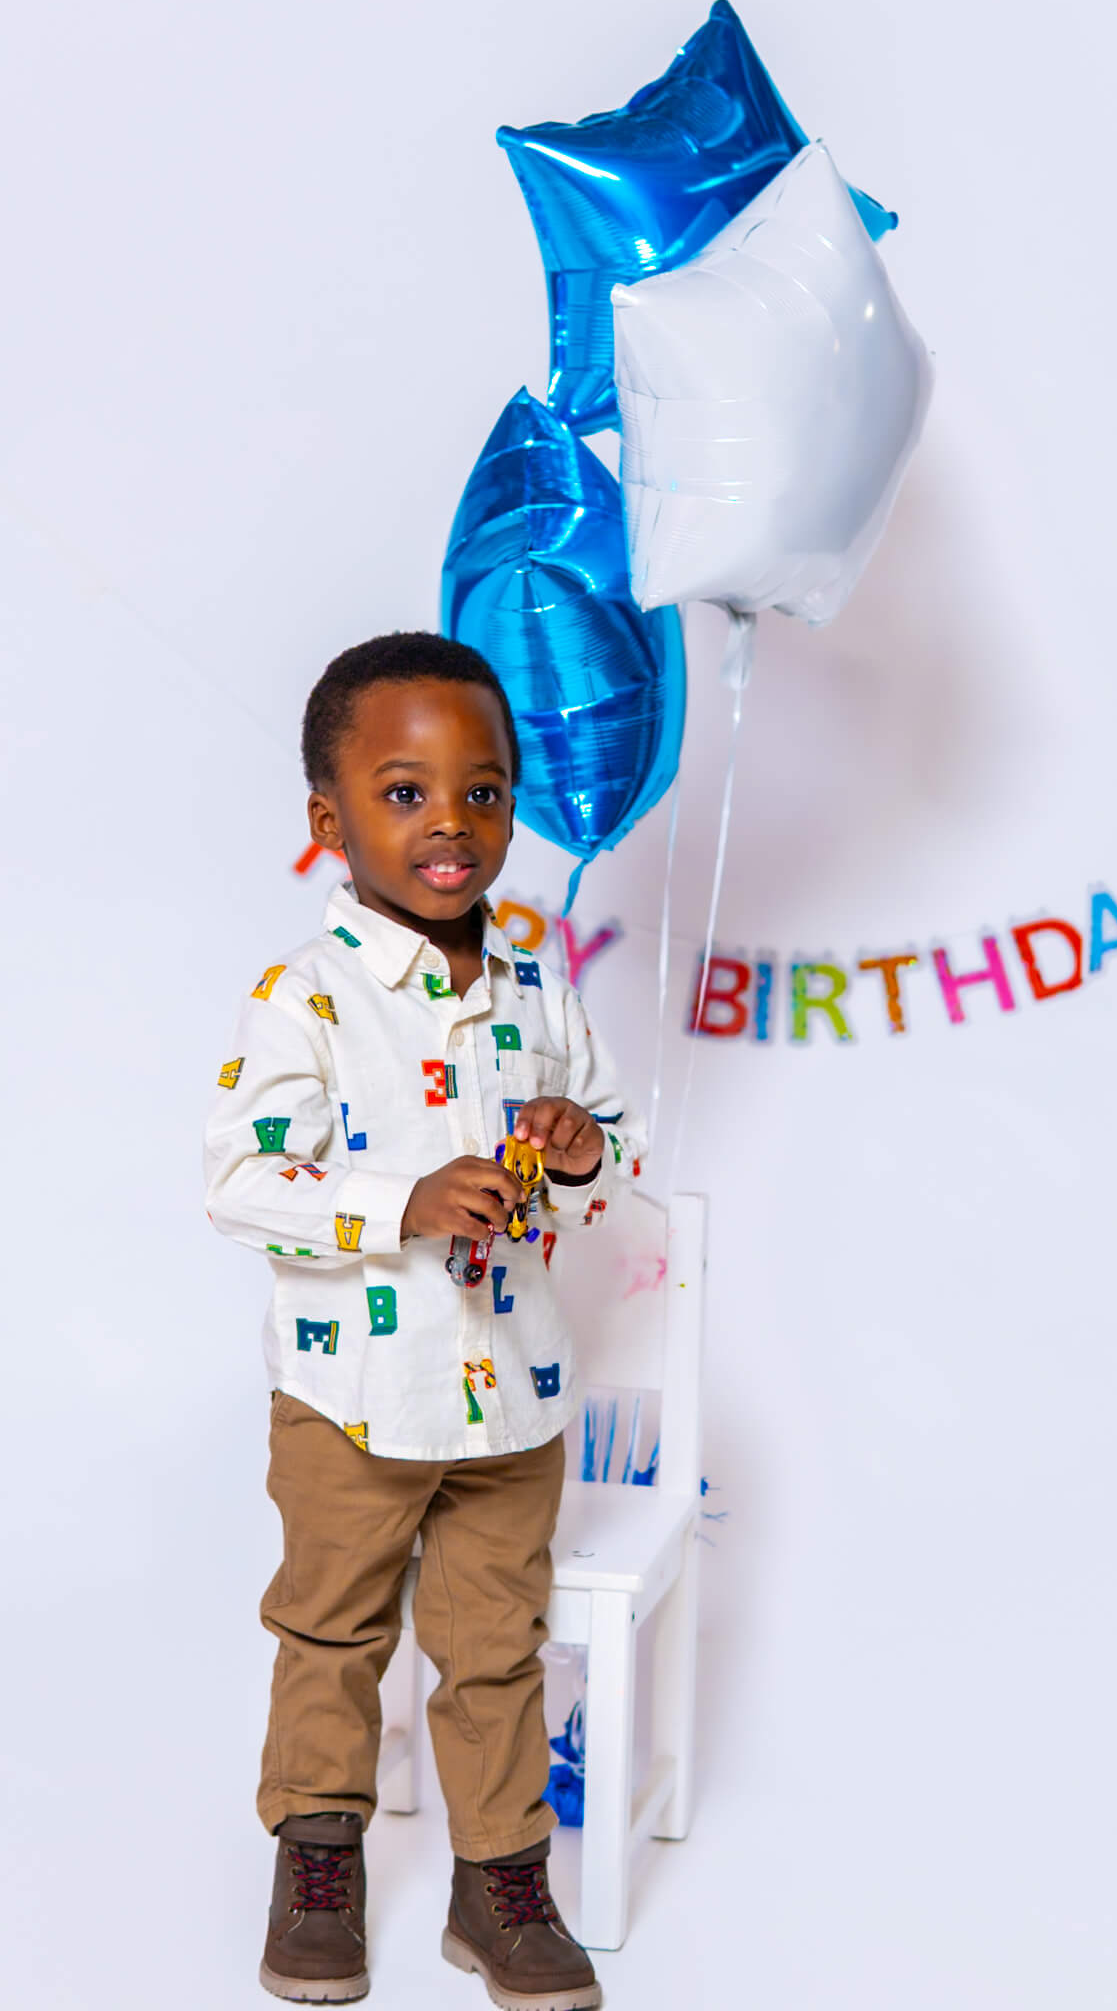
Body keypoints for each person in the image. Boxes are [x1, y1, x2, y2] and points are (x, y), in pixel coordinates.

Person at [203, 631, 645, 2008]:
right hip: (353, 1403)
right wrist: (402, 1199)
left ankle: (498, 1881)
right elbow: (241, 1179)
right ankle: (319, 1851)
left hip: (510, 1398)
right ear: (331, 819)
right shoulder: (309, 996)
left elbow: (607, 1163)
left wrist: (577, 1153)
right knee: (332, 1635)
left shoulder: (541, 998)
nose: (448, 824)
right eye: (403, 793)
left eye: (482, 791)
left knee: (492, 1648)